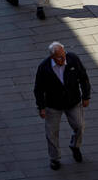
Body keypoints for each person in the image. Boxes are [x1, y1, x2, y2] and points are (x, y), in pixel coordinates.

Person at [34, 41, 91, 170]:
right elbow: (38, 89)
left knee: (79, 126)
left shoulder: (72, 59)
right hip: (53, 105)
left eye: (63, 55)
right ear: (52, 57)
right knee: (51, 133)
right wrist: (41, 107)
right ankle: (55, 158)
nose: (63, 58)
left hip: (73, 101)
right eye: (59, 57)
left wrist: (86, 96)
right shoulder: (44, 68)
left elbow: (83, 77)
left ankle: (75, 146)